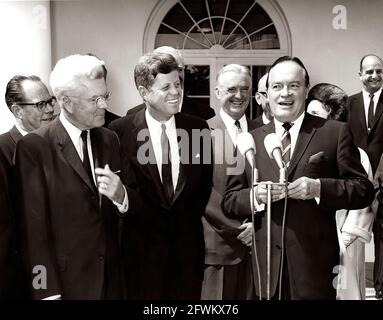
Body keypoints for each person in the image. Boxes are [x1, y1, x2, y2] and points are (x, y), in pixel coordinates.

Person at [222, 56, 374, 300]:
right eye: (277, 86)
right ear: (266, 93)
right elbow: (230, 200)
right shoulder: (250, 139)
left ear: (305, 91)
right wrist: (255, 196)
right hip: (265, 272)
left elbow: (363, 189)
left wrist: (319, 188)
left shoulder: (333, 133)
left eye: (293, 86)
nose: (285, 93)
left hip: (314, 269)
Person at [14, 54, 140, 300]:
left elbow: (135, 206)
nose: (103, 105)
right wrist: (46, 293)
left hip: (112, 284)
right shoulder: (35, 147)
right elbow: (33, 232)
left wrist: (122, 196)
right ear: (66, 102)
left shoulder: (109, 139)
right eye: (95, 99)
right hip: (66, 287)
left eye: (105, 96)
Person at [109, 52, 212, 299]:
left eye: (178, 84)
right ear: (144, 93)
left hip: (188, 258)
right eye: (166, 87)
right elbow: (127, 193)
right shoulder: (119, 132)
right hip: (141, 258)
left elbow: (202, 189)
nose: (176, 92)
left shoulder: (197, 128)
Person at [307, 83, 374, 299]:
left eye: (316, 113)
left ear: (332, 114)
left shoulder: (357, 153)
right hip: (311, 237)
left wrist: (344, 238)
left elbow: (363, 197)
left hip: (345, 239)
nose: (311, 118)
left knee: (345, 290)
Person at [201, 64, 257, 300]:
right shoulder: (201, 132)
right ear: (217, 91)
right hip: (218, 249)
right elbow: (202, 191)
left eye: (245, 89)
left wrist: (258, 226)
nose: (239, 95)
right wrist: (238, 229)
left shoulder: (263, 132)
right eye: (231, 89)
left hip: (258, 249)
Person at [0, 75, 55, 299]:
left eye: (51, 101)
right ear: (17, 110)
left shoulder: (58, 143)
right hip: (21, 279)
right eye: (40, 104)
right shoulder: (2, 151)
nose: (51, 109)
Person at [347, 54, 383, 299]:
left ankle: (381, 288)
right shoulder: (349, 104)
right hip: (356, 180)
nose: (374, 76)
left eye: (379, 71)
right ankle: (352, 288)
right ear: (359, 74)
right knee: (352, 236)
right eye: (369, 71)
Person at [126, 46, 215, 120]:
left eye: (179, 69)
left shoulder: (205, 114)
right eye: (165, 71)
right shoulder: (132, 115)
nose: (174, 75)